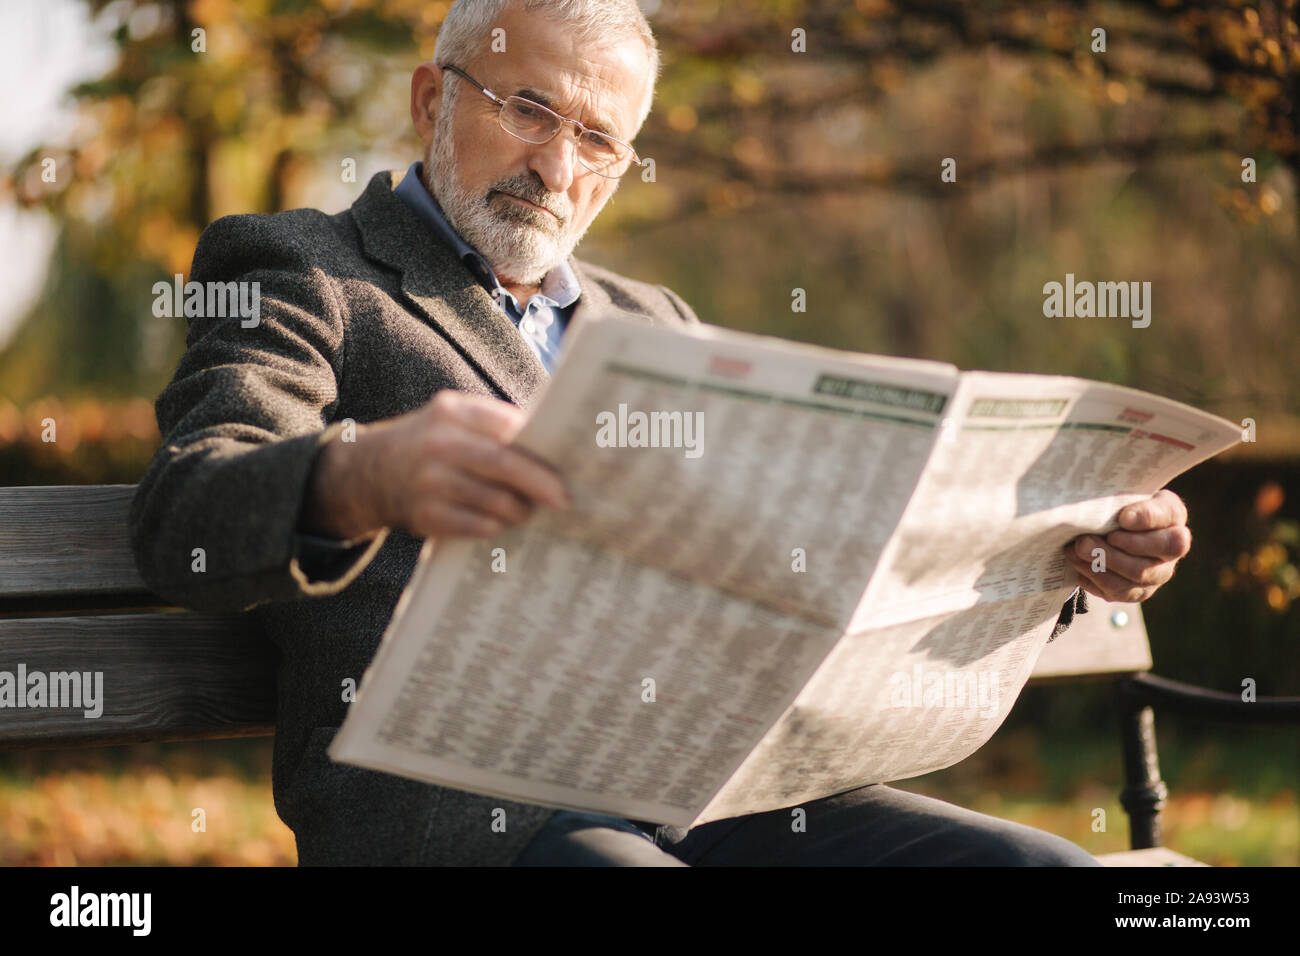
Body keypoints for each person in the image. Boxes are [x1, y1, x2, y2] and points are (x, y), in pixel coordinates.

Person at [129, 0, 1193, 866]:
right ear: (428, 99)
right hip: (456, 800)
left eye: (597, 139)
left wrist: (1064, 562)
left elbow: (805, 560)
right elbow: (185, 511)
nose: (556, 167)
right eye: (528, 110)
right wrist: (355, 478)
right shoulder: (305, 266)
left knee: (1038, 873)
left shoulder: (658, 324)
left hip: (712, 780)